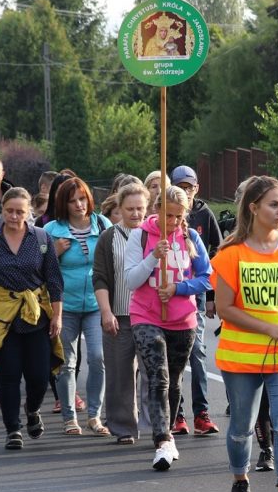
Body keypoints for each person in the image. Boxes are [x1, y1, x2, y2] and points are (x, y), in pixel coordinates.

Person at [212, 176, 278, 492]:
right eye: (273, 204)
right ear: (253, 208)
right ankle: (240, 480)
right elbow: (224, 308)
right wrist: (268, 327)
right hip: (241, 357)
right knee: (242, 427)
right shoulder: (231, 254)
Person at [123, 184, 211, 470]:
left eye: (178, 216)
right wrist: (153, 257)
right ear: (156, 210)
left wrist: (178, 288)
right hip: (146, 316)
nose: (173, 222)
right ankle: (162, 440)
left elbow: (206, 278)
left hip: (183, 319)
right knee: (157, 377)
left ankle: (168, 433)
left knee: (173, 381)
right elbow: (131, 280)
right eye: (168, 215)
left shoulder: (190, 237)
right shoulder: (140, 235)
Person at [0, 188, 65, 451]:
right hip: (3, 318)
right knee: (7, 376)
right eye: (9, 211)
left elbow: (54, 280)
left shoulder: (42, 239)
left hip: (36, 316)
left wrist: (57, 316)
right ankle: (12, 429)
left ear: (28, 212)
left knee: (39, 376)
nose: (13, 216)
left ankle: (32, 409)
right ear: (2, 210)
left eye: (19, 211)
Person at [45, 177, 110, 435]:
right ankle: (69, 417)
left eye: (82, 199)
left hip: (96, 303)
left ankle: (95, 416)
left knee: (98, 358)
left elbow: (114, 261)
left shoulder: (102, 224)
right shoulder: (51, 230)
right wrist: (54, 252)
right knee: (67, 363)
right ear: (63, 203)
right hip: (64, 306)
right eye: (72, 201)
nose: (79, 205)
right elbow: (37, 267)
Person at [93, 182, 148, 445]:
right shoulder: (108, 237)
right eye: (130, 209)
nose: (135, 213)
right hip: (120, 314)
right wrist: (106, 312)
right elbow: (100, 277)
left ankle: (157, 427)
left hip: (150, 316)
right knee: (120, 373)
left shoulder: (154, 234)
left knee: (154, 374)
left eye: (140, 208)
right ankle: (123, 426)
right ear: (119, 208)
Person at [170, 165, 221, 436]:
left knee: (197, 352)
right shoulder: (164, 218)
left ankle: (201, 413)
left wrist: (212, 297)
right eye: (180, 187)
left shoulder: (203, 215)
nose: (186, 192)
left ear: (196, 189)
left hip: (194, 298)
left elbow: (214, 259)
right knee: (173, 358)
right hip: (166, 299)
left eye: (189, 187)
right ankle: (176, 414)